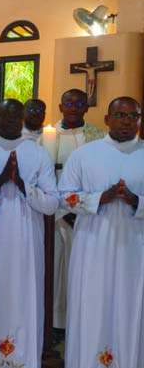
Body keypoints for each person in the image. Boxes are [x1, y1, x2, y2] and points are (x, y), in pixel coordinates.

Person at [59, 97, 144, 368]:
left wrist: (136, 201)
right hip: (92, 248)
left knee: (130, 307)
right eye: (119, 115)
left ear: (139, 120)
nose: (126, 121)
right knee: (91, 306)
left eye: (133, 116)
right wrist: (99, 198)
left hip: (134, 249)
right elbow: (64, 197)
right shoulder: (85, 155)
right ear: (107, 119)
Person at [0, 99, 58, 368]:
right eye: (4, 114)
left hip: (26, 243)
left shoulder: (38, 155)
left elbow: (51, 204)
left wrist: (24, 186)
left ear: (22, 118)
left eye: (15, 115)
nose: (10, 120)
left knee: (25, 299)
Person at [52, 88, 104, 331]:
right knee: (53, 270)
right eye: (68, 103)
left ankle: (77, 322)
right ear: (61, 107)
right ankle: (53, 323)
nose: (73, 108)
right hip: (52, 215)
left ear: (86, 108)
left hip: (85, 217)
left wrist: (77, 209)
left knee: (79, 271)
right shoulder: (45, 136)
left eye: (79, 103)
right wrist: (62, 210)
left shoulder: (99, 139)